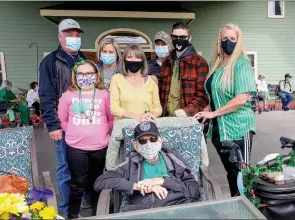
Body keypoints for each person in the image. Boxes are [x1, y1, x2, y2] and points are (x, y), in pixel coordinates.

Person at [194, 23, 256, 197]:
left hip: (238, 128)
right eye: (224, 38)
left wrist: (213, 113)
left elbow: (241, 99)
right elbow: (215, 96)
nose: (228, 42)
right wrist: (205, 111)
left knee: (240, 174)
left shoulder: (241, 64)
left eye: (232, 39)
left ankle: (246, 209)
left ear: (238, 41)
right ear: (219, 39)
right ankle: (237, 205)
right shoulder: (218, 63)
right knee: (231, 172)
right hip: (219, 130)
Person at [39, 18, 89, 214]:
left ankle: (87, 204)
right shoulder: (50, 62)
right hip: (64, 126)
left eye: (77, 35)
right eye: (69, 35)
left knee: (85, 167)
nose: (74, 38)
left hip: (85, 125)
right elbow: (46, 95)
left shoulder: (84, 60)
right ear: (60, 37)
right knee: (66, 169)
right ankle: (67, 209)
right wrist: (53, 125)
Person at [94, 121, 201, 212]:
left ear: (160, 140)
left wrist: (162, 181)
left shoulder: (172, 158)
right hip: (143, 211)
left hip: (176, 207)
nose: (148, 144)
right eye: (142, 141)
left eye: (153, 139)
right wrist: (137, 186)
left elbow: (194, 190)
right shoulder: (130, 163)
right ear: (135, 145)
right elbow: (100, 182)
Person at [58, 60, 113, 219]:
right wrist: (76, 132)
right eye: (81, 74)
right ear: (75, 76)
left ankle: (97, 213)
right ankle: (73, 215)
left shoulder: (104, 95)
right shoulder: (68, 95)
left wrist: (102, 133)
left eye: (89, 73)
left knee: (95, 182)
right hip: (76, 147)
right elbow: (63, 119)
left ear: (96, 76)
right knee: (77, 183)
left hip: (99, 146)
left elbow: (110, 118)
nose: (85, 77)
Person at [158, 22, 209, 117]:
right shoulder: (167, 61)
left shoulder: (199, 62)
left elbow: (203, 95)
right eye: (175, 37)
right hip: (165, 117)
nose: (178, 40)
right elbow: (160, 90)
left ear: (189, 37)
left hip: (188, 119)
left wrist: (187, 111)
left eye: (182, 37)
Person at [109, 43, 162, 122]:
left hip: (146, 128)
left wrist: (153, 115)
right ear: (124, 60)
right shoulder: (116, 79)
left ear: (143, 60)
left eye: (137, 57)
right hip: (123, 129)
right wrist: (137, 117)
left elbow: (157, 107)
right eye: (130, 57)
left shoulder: (151, 81)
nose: (133, 60)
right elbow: (114, 108)